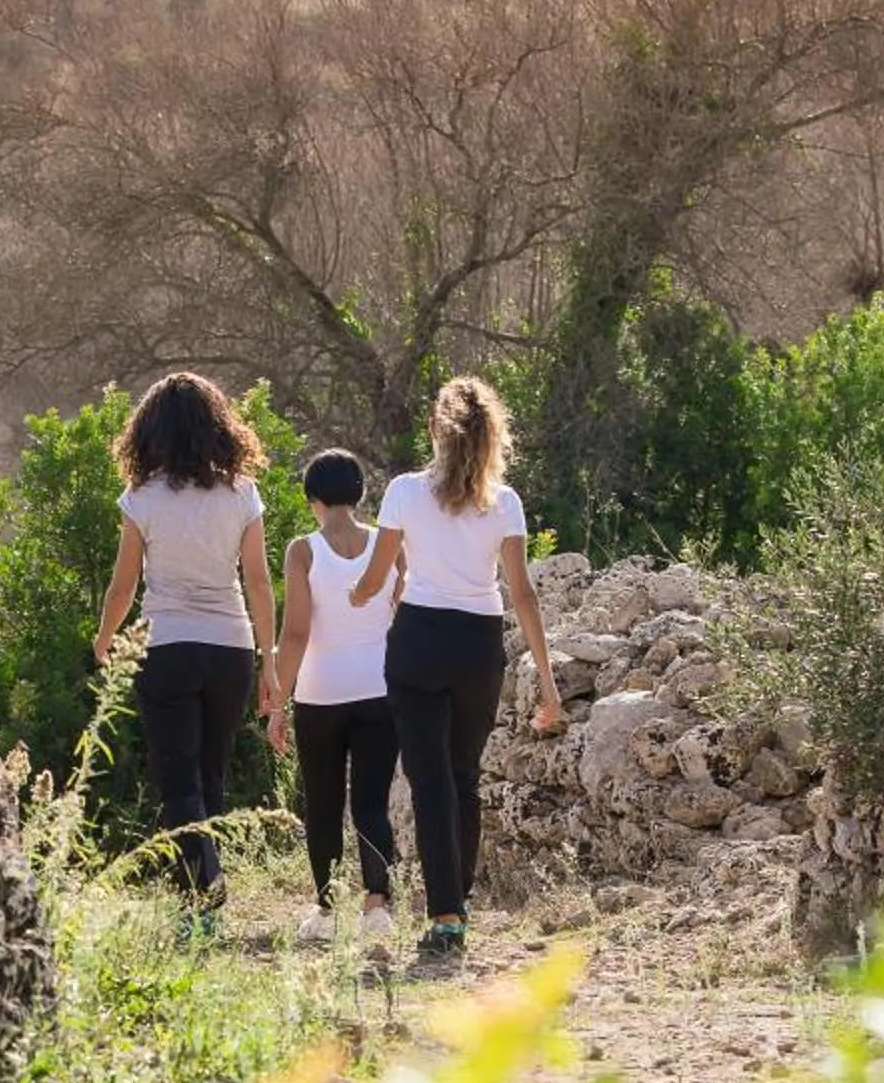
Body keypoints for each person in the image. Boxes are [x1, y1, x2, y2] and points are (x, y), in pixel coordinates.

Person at [348, 375, 563, 961]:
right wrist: (547, 684)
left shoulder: (403, 492)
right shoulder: (506, 502)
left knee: (430, 781)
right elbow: (522, 594)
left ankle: (447, 913)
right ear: (494, 436)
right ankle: (454, 908)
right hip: (478, 645)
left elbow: (379, 575)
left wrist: (357, 597)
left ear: (435, 432)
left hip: (418, 638)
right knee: (463, 775)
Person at [91, 373, 281, 927]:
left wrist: (105, 638)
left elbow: (123, 585)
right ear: (218, 425)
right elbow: (260, 583)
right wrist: (269, 659)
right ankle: (203, 891)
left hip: (166, 645)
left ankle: (202, 902)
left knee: (179, 780)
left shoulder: (141, 499)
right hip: (230, 646)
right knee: (210, 775)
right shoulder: (242, 493)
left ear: (149, 431)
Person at [267, 450, 402, 944]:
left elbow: (297, 632)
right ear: (360, 494)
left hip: (320, 695)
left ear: (313, 501)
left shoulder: (303, 551)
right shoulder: (391, 545)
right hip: (380, 690)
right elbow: (400, 610)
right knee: (371, 802)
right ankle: (377, 907)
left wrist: (278, 703)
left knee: (322, 804)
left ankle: (325, 913)